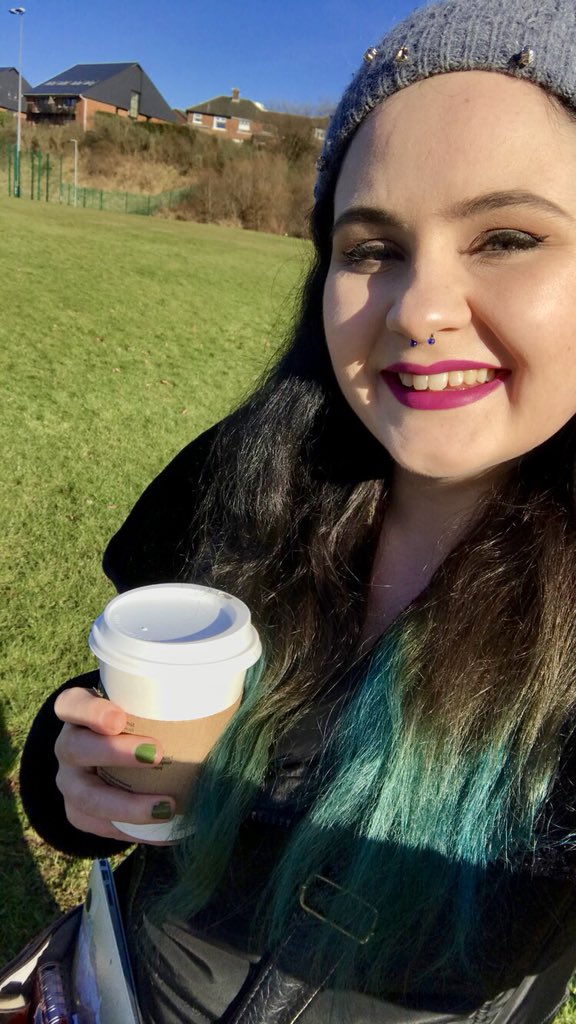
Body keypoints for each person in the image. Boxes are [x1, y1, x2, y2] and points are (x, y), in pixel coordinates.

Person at [19, 0, 576, 1020]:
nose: (417, 308)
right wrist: (80, 781)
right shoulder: (243, 476)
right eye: (372, 247)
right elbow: (106, 743)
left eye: (506, 236)